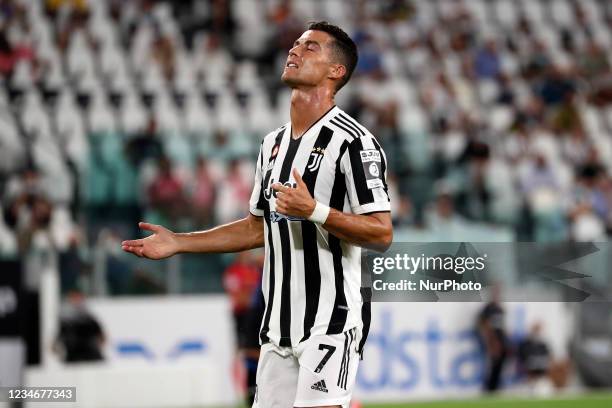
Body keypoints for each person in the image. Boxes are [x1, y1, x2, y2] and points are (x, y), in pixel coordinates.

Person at [122, 21, 393, 408]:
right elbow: (256, 228)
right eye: (296, 44)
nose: (295, 51)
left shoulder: (353, 142)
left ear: (337, 72)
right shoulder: (272, 145)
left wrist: (314, 210)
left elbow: (381, 233)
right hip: (277, 330)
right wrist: (180, 242)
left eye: (310, 47)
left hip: (331, 324)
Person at [477, 285, 508, 393]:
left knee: (499, 365)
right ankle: (490, 388)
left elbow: (502, 326)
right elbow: (483, 325)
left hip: (500, 341)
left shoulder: (500, 309)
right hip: (492, 341)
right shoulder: (488, 309)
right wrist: (490, 342)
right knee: (492, 365)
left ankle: (495, 387)